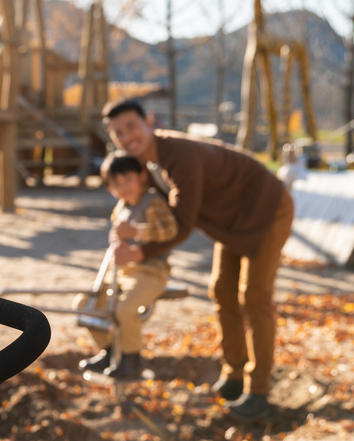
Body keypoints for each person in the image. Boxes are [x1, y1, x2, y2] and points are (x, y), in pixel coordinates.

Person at [101, 98, 294, 421]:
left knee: (255, 296)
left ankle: (258, 390)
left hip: (266, 209)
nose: (127, 136)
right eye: (119, 132)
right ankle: (233, 376)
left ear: (149, 121)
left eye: (132, 126)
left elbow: (181, 224)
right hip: (230, 222)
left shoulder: (180, 156)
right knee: (221, 290)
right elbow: (159, 220)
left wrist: (138, 251)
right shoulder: (145, 167)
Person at [78, 152, 178, 379]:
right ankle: (109, 350)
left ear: (142, 176)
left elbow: (169, 231)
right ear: (109, 189)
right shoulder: (121, 207)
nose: (123, 187)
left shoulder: (152, 201)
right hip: (122, 272)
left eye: (127, 179)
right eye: (116, 184)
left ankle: (132, 360)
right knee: (85, 304)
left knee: (125, 310)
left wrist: (135, 232)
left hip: (150, 272)